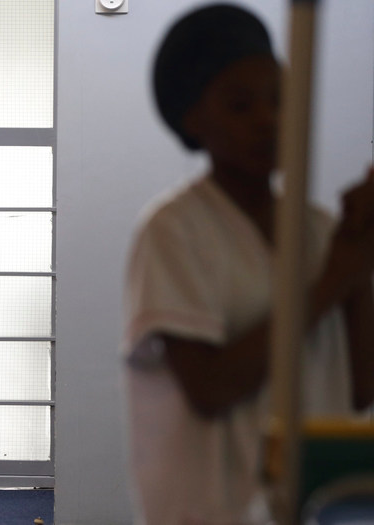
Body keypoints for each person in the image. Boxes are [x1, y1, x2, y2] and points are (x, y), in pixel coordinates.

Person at [122, 4, 374, 524]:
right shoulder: (173, 233)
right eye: (241, 105)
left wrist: (360, 257)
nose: (268, 119)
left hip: (314, 507)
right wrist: (331, 281)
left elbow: (360, 388)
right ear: (194, 117)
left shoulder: (321, 230)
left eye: (279, 100)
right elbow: (211, 388)